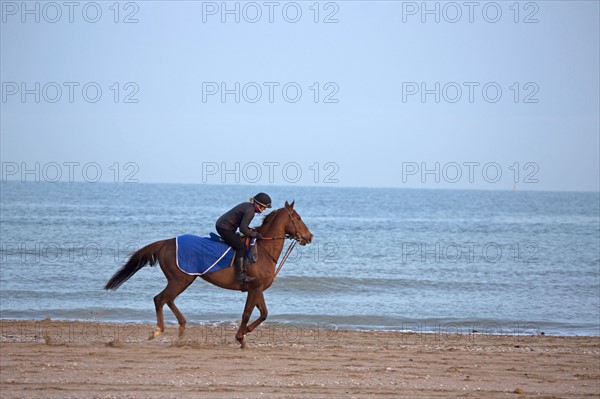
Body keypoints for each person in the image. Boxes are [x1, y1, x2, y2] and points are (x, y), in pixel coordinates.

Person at [215, 192, 272, 284]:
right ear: (259, 205)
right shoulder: (250, 211)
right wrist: (255, 235)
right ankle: (240, 275)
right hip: (224, 228)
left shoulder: (249, 207)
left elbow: (243, 226)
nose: (265, 209)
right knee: (240, 246)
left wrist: (251, 231)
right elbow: (242, 229)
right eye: (264, 207)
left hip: (226, 226)